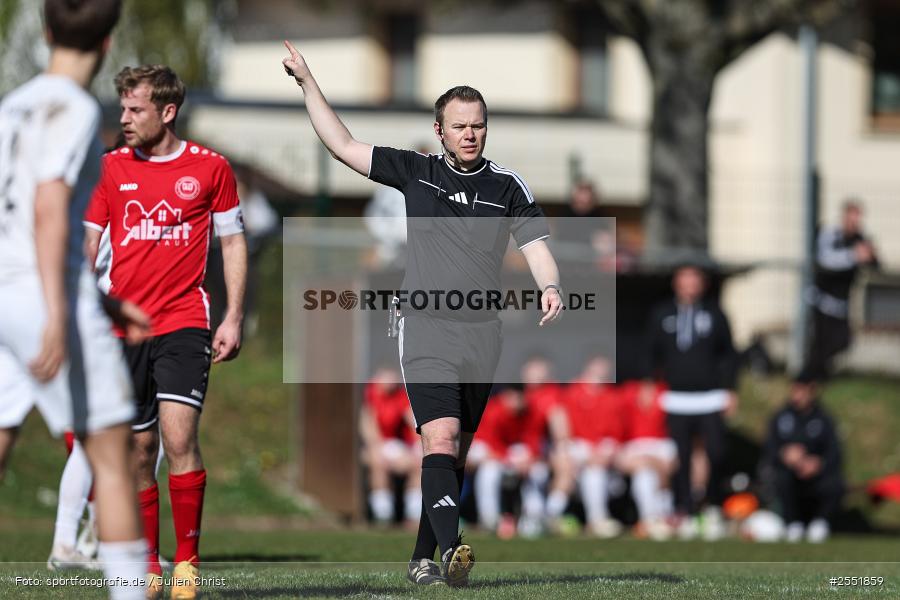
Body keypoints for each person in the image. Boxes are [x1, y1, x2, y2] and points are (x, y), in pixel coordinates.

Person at [282, 40, 563, 587]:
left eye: (478, 125)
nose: (469, 134)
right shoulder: (416, 172)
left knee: (452, 456)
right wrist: (307, 83)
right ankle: (455, 549)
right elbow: (341, 144)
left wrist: (549, 285)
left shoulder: (507, 186)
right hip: (426, 324)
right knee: (440, 439)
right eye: (459, 126)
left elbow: (536, 245)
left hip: (483, 332)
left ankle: (420, 560)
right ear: (440, 130)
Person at [0, 1, 147, 598]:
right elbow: (50, 207)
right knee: (114, 455)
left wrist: (104, 303)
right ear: (110, 43)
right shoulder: (79, 107)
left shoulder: (12, 105)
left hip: (6, 290)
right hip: (42, 296)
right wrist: (61, 314)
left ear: (45, 31)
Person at [83, 64, 247, 600]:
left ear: (168, 111)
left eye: (136, 110)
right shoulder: (109, 169)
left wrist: (233, 315)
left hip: (184, 321)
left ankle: (187, 564)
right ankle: (148, 566)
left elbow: (233, 244)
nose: (125, 119)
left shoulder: (211, 168)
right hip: (122, 330)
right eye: (123, 109)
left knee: (178, 437)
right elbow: (87, 245)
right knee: (137, 449)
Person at [642, 264, 738, 539]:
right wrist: (649, 382)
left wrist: (731, 389)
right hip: (677, 398)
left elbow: (729, 354)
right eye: (684, 278)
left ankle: (713, 504)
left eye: (695, 279)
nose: (689, 284)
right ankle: (684, 507)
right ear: (676, 282)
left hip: (709, 396)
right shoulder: (662, 314)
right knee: (681, 455)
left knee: (716, 451)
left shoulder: (716, 314)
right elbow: (651, 351)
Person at [762, 372, 844, 543]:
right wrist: (784, 455)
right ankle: (792, 523)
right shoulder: (781, 417)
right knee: (781, 478)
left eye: (801, 391)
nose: (797, 396)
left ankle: (821, 523)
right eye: (794, 390)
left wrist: (817, 463)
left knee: (836, 482)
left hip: (816, 476)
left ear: (811, 391)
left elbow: (835, 452)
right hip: (789, 473)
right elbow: (770, 448)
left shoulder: (824, 419)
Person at [804, 200, 879, 380]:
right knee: (818, 346)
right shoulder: (830, 235)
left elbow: (875, 264)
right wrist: (853, 255)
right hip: (821, 302)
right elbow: (825, 260)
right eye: (850, 219)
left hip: (841, 304)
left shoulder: (860, 240)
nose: (853, 224)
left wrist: (870, 256)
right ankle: (810, 380)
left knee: (842, 342)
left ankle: (818, 377)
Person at [467, 383, 550, 538]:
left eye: (520, 397)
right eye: (512, 396)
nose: (516, 401)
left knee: (539, 472)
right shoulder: (494, 410)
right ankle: (490, 520)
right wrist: (511, 461)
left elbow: (535, 441)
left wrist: (529, 460)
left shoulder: (532, 411)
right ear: (505, 396)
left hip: (513, 453)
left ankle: (534, 517)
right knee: (489, 471)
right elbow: (490, 444)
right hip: (489, 450)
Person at [560, 355, 626, 538]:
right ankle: (551, 516)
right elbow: (565, 431)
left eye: (605, 366)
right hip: (577, 449)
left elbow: (616, 434)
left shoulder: (613, 396)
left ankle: (597, 521)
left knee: (594, 474)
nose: (601, 370)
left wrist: (608, 452)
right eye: (598, 365)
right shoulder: (572, 392)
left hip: (604, 457)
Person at [359, 367, 421, 527]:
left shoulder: (400, 397)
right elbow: (368, 426)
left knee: (419, 463)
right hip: (379, 445)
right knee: (378, 463)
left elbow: (412, 422)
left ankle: (414, 514)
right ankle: (383, 514)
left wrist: (418, 446)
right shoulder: (371, 395)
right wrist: (376, 449)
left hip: (396, 445)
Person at [616, 381, 677, 540]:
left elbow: (669, 466)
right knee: (643, 477)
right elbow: (623, 462)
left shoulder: (666, 398)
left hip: (660, 448)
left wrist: (650, 461)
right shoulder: (627, 397)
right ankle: (649, 519)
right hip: (635, 449)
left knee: (654, 475)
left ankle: (662, 516)